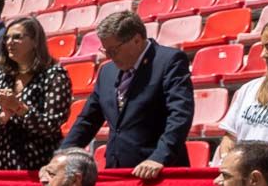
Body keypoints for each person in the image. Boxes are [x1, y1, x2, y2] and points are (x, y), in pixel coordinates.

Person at [61, 11, 195, 176]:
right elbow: (88, 120)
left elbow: (180, 114)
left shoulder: (169, 61)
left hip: (157, 170)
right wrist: (62, 156)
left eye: (114, 50)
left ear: (137, 40)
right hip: (117, 169)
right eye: (106, 51)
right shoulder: (107, 71)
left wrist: (159, 157)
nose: (109, 56)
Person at [0, 17, 72, 170]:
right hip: (2, 164)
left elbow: (51, 125)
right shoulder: (3, 78)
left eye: (17, 37)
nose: (9, 42)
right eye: (7, 38)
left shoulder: (54, 75)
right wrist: (2, 118)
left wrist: (19, 108)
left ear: (35, 42)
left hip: (38, 164)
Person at [216, 15, 268, 165]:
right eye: (263, 47)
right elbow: (230, 136)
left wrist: (265, 162)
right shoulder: (249, 89)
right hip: (243, 179)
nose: (263, 55)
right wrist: (227, 159)